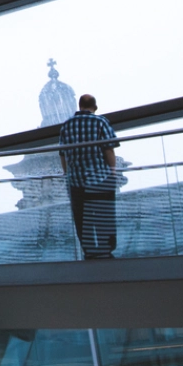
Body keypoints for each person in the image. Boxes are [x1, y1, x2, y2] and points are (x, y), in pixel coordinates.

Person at [59, 94, 120, 259]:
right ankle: (106, 251)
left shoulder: (66, 126)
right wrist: (113, 171)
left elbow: (63, 154)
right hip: (100, 178)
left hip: (76, 182)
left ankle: (90, 252)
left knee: (82, 219)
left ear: (79, 106)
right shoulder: (100, 122)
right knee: (104, 215)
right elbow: (109, 149)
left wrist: (67, 174)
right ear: (95, 107)